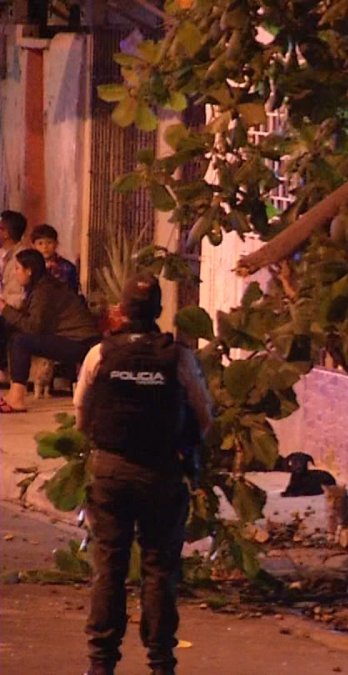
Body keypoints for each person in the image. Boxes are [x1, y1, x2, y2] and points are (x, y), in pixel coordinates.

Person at [75, 274, 213, 675]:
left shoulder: (100, 354)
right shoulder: (178, 357)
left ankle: (101, 664)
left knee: (109, 568)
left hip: (111, 471)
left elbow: (82, 417)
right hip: (161, 473)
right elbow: (204, 417)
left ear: (121, 310)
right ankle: (160, 663)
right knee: (158, 570)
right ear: (158, 311)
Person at [0, 249, 101, 412]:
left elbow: (33, 327)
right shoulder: (41, 286)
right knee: (13, 335)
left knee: (20, 340)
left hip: (81, 343)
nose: (16, 273)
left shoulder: (45, 290)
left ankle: (17, 398)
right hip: (71, 339)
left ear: (29, 271)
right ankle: (13, 393)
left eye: (18, 268)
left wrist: (4, 309)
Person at [0, 209, 30, 382]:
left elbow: (20, 297)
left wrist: (2, 303)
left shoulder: (21, 258)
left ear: (6, 233)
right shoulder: (6, 256)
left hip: (17, 313)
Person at [30, 223, 80, 294]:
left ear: (56, 243)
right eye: (40, 243)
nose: (45, 247)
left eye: (49, 242)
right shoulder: (30, 266)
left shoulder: (67, 267)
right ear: (33, 246)